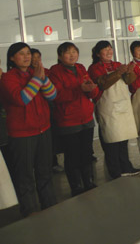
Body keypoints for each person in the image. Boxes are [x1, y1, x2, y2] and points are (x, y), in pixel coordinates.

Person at [0, 42, 57, 217]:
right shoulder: (8, 78)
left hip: (43, 129)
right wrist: (37, 79)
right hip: (22, 134)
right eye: (21, 54)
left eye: (28, 53)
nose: (26, 57)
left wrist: (42, 78)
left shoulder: (36, 73)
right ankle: (30, 211)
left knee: (45, 171)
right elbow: (22, 99)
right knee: (25, 175)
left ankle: (50, 205)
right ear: (12, 58)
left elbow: (52, 95)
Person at [49, 42, 100, 196]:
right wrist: (80, 89)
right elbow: (56, 95)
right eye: (67, 52)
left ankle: (88, 181)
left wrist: (92, 89)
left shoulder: (81, 68)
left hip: (86, 117)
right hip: (68, 120)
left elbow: (91, 92)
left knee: (86, 152)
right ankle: (76, 186)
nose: (72, 55)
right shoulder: (55, 71)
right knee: (72, 155)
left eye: (74, 51)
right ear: (60, 56)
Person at [88, 41, 140, 179]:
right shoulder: (94, 68)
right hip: (107, 107)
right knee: (111, 140)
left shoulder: (117, 64)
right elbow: (103, 84)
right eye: (105, 50)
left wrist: (129, 72)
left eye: (110, 49)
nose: (109, 52)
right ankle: (115, 170)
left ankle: (126, 166)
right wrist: (118, 73)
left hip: (122, 105)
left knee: (123, 138)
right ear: (98, 53)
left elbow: (129, 81)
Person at [31, 49, 64, 174]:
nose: (35, 60)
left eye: (38, 57)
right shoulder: (28, 74)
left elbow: (53, 91)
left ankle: (53, 162)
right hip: (35, 112)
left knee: (51, 138)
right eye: (33, 57)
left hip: (49, 109)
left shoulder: (47, 72)